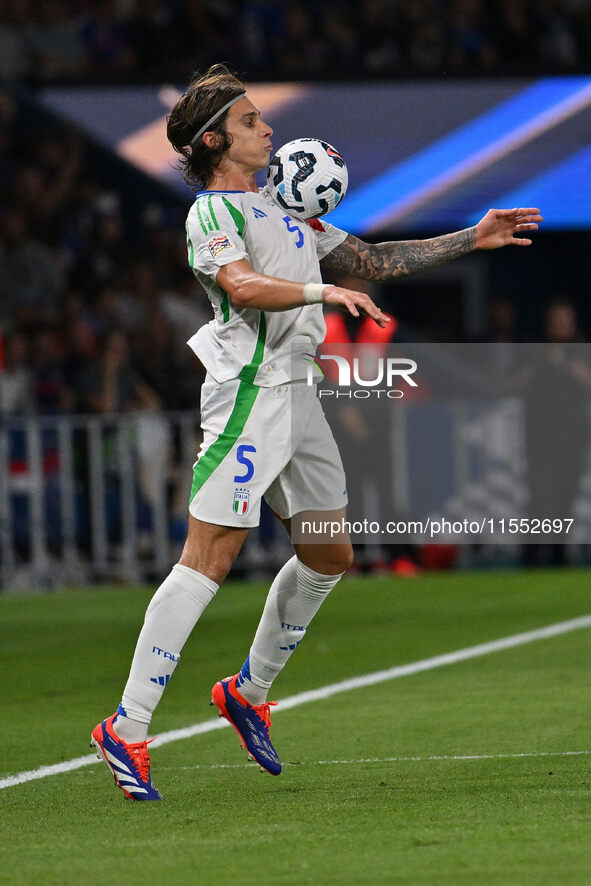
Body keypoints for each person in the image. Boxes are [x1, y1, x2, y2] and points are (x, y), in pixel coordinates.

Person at [91, 63, 542, 801]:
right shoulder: (213, 214)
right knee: (208, 557)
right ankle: (127, 726)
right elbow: (239, 286)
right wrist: (317, 289)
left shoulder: (281, 207)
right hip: (246, 396)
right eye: (248, 122)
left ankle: (246, 691)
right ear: (213, 142)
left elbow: (370, 260)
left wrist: (472, 237)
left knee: (329, 554)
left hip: (298, 398)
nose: (265, 127)